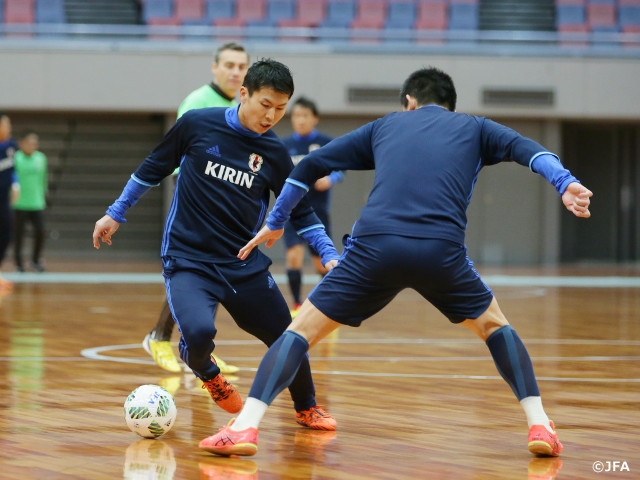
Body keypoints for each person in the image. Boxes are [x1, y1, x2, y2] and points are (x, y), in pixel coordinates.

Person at [198, 66, 594, 457]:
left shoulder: (386, 126)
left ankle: (245, 427)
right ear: (450, 106)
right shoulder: (477, 127)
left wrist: (276, 220)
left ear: (409, 101)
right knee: (494, 326)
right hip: (441, 251)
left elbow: (308, 166)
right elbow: (534, 153)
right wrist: (564, 182)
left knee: (298, 332)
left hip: (374, 249)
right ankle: (539, 423)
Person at [93, 58, 339, 431]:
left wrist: (330, 253)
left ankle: (307, 406)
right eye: (265, 104)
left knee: (289, 335)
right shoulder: (197, 124)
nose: (271, 115)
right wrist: (116, 212)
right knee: (198, 333)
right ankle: (208, 373)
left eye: (280, 108)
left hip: (242, 264)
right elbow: (150, 169)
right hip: (188, 259)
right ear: (244, 94)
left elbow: (302, 214)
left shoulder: (273, 154)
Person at [143, 41, 250, 375]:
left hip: (224, 206)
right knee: (193, 274)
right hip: (196, 204)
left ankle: (200, 351)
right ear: (214, 67)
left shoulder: (238, 106)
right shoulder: (198, 102)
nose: (235, 72)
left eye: (241, 66)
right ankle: (158, 337)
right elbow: (178, 157)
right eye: (229, 65)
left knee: (213, 274)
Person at [281, 96, 343, 317]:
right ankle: (297, 305)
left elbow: (340, 168)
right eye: (296, 115)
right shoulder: (285, 145)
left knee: (321, 264)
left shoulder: (326, 142)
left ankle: (326, 306)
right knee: (294, 256)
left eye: (305, 115)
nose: (300, 120)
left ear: (314, 118)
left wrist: (331, 179)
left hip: (317, 212)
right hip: (292, 210)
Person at [13, 129, 48, 273]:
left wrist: (43, 195)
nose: (33, 145)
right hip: (19, 204)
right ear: (22, 143)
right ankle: (19, 263)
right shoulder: (16, 158)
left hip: (36, 203)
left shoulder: (41, 158)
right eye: (30, 142)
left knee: (41, 231)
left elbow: (43, 179)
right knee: (18, 235)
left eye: (35, 142)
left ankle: (35, 260)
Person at [0, 113, 19, 292]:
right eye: (6, 124)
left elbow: (14, 169)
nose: (9, 127)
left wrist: (16, 184)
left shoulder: (12, 146)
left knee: (6, 235)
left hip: (4, 199)